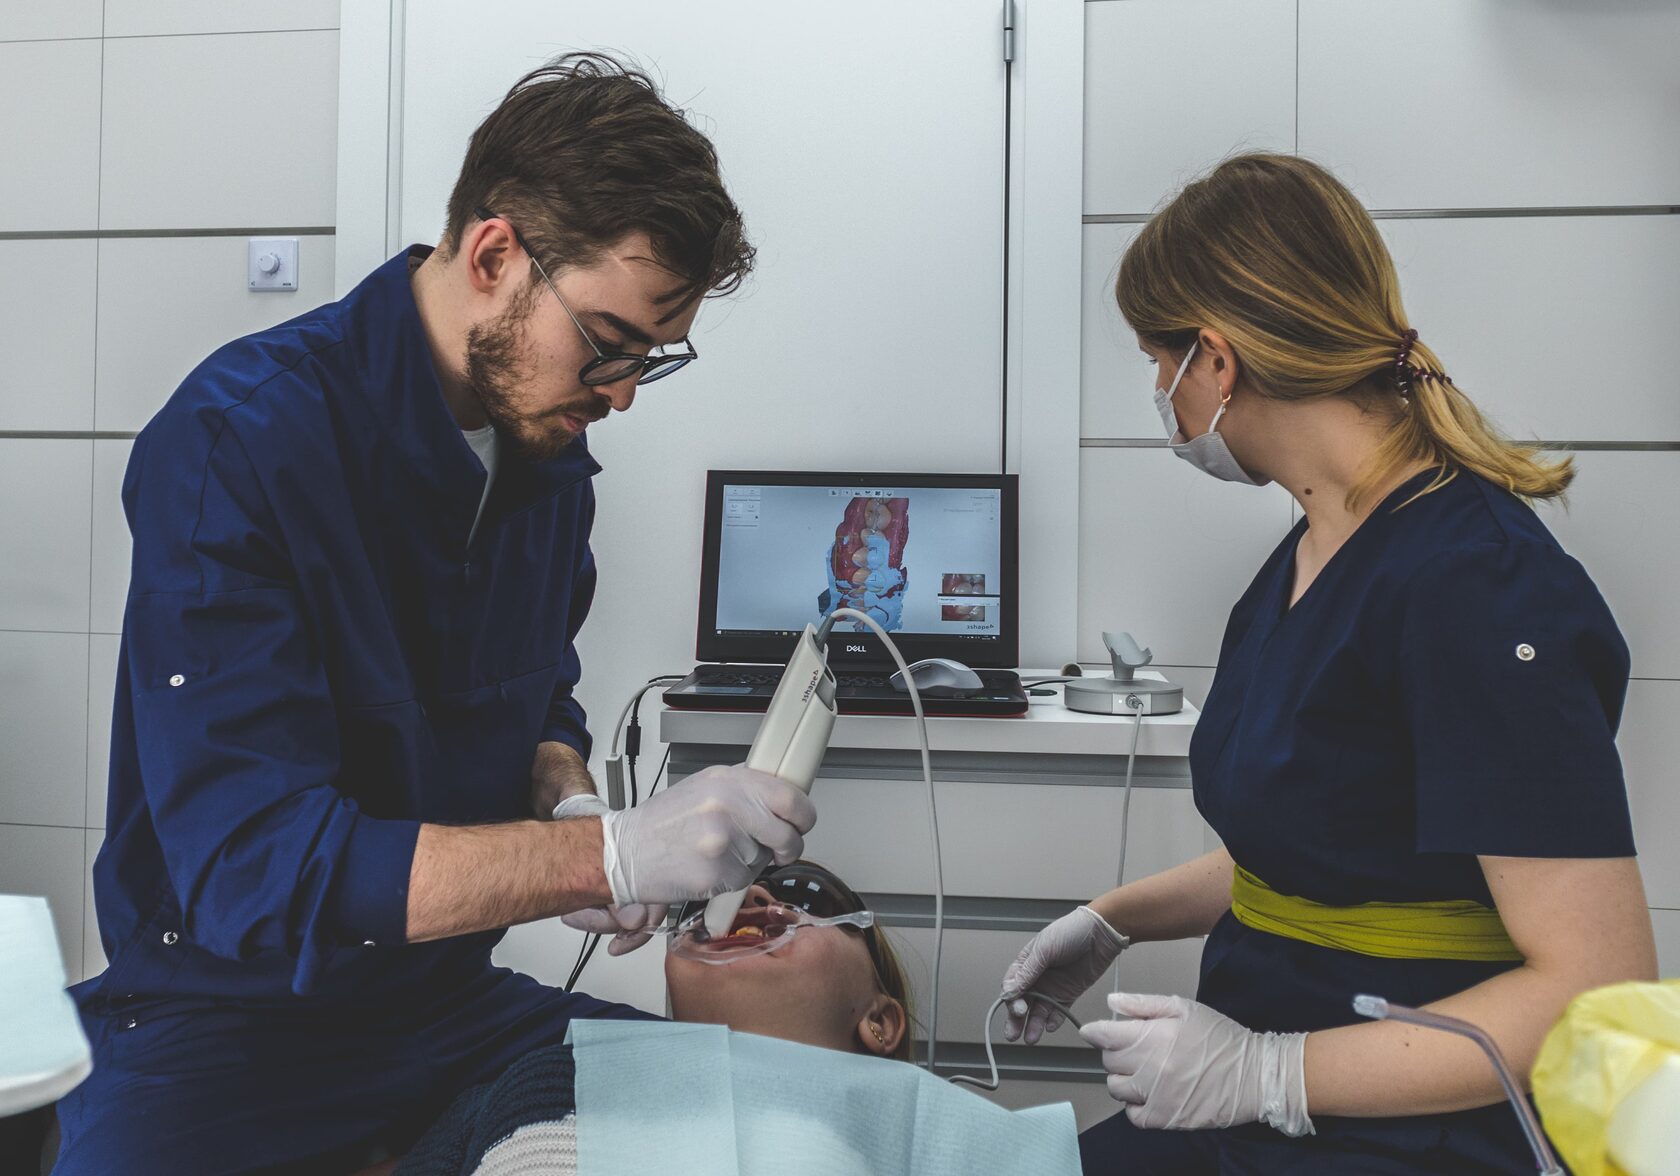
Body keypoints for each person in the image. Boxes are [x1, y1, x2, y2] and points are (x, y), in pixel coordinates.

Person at [54, 54, 816, 1175]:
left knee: (785, 1123)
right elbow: (261, 870)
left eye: (653, 359)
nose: (618, 393)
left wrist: (568, 799)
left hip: (443, 1011)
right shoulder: (240, 444)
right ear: (496, 254)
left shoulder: (547, 459)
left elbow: (538, 692)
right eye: (608, 343)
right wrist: (605, 859)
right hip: (220, 1032)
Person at [999, 153, 1657, 1173]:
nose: (1159, 393)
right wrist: (1112, 921)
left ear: (1215, 361)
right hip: (1259, 1104)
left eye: (1156, 359)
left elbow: (1591, 984)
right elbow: (1329, 832)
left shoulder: (1474, 585)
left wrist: (1271, 1075)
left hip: (1413, 1133)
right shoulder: (1320, 545)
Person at [393, 861, 912, 1174]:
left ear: (880, 1023)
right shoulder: (548, 1077)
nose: (751, 895)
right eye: (719, 894)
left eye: (803, 894)